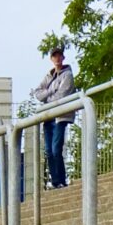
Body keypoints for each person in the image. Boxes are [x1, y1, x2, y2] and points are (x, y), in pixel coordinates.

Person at [31, 46, 76, 188]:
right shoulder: (49, 76)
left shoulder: (67, 75)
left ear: (63, 57)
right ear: (51, 59)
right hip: (48, 117)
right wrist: (51, 90)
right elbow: (37, 93)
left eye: (59, 56)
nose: (57, 59)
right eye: (54, 56)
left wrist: (48, 97)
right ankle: (55, 181)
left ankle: (61, 180)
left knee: (57, 149)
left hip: (60, 116)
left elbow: (62, 95)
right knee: (49, 151)